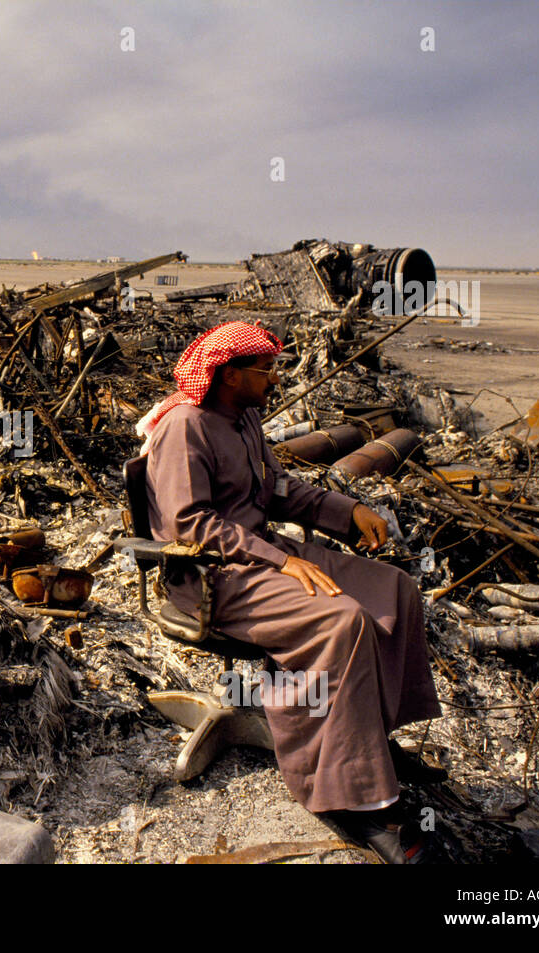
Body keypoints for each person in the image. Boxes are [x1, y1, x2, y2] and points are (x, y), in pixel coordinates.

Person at [138, 321, 443, 863]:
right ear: (229, 375)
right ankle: (355, 800)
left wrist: (346, 511)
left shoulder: (245, 417)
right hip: (213, 579)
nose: (275, 378)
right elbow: (189, 525)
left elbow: (277, 490)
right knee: (341, 622)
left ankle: (364, 745)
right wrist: (283, 561)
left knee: (393, 589)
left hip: (262, 557)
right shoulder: (186, 428)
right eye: (266, 369)